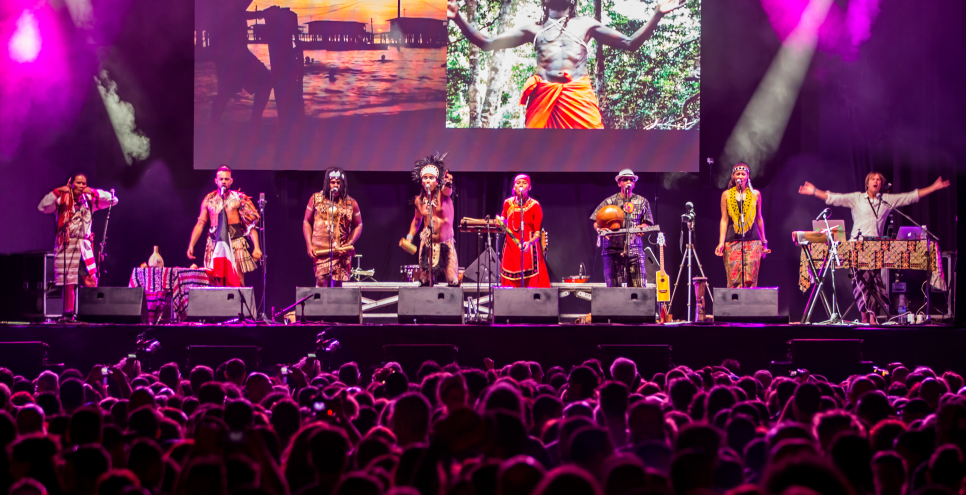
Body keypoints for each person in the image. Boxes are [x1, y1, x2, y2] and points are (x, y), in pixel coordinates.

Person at [447, 0, 682, 128]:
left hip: (578, 98)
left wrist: (657, 14)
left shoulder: (587, 24)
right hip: (543, 99)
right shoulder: (533, 29)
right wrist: (457, 17)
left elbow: (629, 43)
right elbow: (488, 42)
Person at [798, 172, 950, 322]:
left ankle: (873, 319)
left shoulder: (886, 200)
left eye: (879, 180)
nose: (876, 181)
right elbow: (833, 198)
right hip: (857, 247)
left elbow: (910, 197)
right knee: (861, 281)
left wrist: (934, 187)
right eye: (873, 179)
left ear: (882, 185)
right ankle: (864, 318)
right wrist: (814, 191)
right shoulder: (857, 198)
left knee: (875, 281)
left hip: (877, 248)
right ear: (867, 183)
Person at [37, 173, 119, 318]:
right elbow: (42, 207)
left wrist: (93, 191)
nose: (82, 186)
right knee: (69, 283)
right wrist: (58, 191)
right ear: (71, 183)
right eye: (79, 183)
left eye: (84, 183)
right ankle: (68, 314)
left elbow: (114, 200)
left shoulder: (89, 200)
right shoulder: (61, 200)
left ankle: (95, 313)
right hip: (66, 245)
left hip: (83, 246)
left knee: (91, 280)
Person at [187, 165, 262, 286]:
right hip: (214, 244)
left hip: (235, 243)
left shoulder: (240, 199)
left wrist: (257, 247)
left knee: (238, 279)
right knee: (214, 280)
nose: (223, 182)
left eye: (226, 179)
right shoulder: (208, 199)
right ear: (216, 181)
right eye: (221, 179)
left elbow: (251, 225)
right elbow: (200, 224)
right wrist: (191, 244)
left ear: (231, 181)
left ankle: (241, 304)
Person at [590, 169, 654, 287]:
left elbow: (647, 222)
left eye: (631, 180)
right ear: (619, 183)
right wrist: (599, 229)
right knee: (614, 290)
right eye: (625, 179)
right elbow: (596, 220)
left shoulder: (642, 202)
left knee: (638, 289)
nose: (628, 182)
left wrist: (642, 227)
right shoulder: (609, 201)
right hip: (612, 251)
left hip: (635, 251)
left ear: (634, 183)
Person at [302, 168, 362, 287]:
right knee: (321, 281)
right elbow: (306, 221)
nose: (335, 185)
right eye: (332, 182)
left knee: (338, 286)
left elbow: (359, 224)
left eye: (338, 182)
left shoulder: (351, 203)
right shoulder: (315, 199)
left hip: (341, 252)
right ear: (327, 183)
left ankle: (337, 306)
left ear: (342, 184)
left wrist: (350, 242)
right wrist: (309, 245)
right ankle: (320, 306)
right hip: (321, 250)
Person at [405, 154, 458, 286]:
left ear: (437, 181)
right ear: (422, 182)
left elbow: (448, 189)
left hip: (446, 242)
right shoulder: (419, 200)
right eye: (425, 178)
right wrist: (409, 237)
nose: (428, 181)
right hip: (427, 243)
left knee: (452, 280)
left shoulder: (444, 194)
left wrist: (448, 181)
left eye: (431, 178)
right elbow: (416, 221)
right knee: (425, 281)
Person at [714, 163, 770, 288]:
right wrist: (721, 242)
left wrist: (764, 241)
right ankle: (734, 306)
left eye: (743, 174)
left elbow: (759, 218)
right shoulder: (726, 195)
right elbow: (724, 219)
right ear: (733, 176)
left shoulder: (755, 194)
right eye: (737, 174)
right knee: (734, 279)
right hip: (732, 241)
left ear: (747, 176)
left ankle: (749, 307)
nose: (740, 176)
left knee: (750, 279)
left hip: (753, 242)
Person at [498, 174, 551, 288]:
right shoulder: (507, 203)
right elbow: (504, 217)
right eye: (518, 183)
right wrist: (501, 222)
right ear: (514, 187)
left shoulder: (535, 206)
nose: (521, 185)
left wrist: (530, 243)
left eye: (524, 183)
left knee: (531, 286)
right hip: (511, 249)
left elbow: (537, 233)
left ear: (530, 187)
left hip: (528, 250)